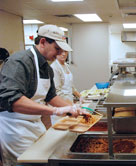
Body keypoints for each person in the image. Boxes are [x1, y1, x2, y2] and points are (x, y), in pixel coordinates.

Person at [0, 24, 86, 166]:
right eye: (57, 49)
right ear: (43, 42)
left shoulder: (46, 67)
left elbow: (51, 96)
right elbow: (13, 100)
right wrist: (55, 110)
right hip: (14, 128)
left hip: (35, 124)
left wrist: (73, 108)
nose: (59, 54)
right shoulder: (19, 62)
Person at [50, 50, 81, 125]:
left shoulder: (66, 66)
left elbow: (71, 86)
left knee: (70, 126)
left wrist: (80, 96)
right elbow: (57, 91)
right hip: (60, 104)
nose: (63, 54)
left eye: (65, 51)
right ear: (55, 52)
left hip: (69, 101)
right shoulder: (54, 67)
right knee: (61, 127)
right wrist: (71, 105)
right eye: (60, 51)